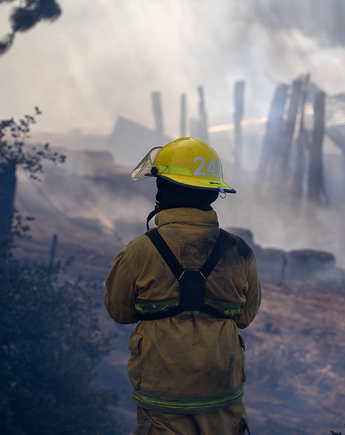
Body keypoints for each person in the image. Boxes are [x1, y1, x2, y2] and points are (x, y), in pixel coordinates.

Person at [105, 137, 261, 435]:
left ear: (163, 189)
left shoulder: (138, 252)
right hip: (222, 395)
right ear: (214, 193)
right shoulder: (240, 252)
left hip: (162, 396)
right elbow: (245, 317)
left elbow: (120, 312)